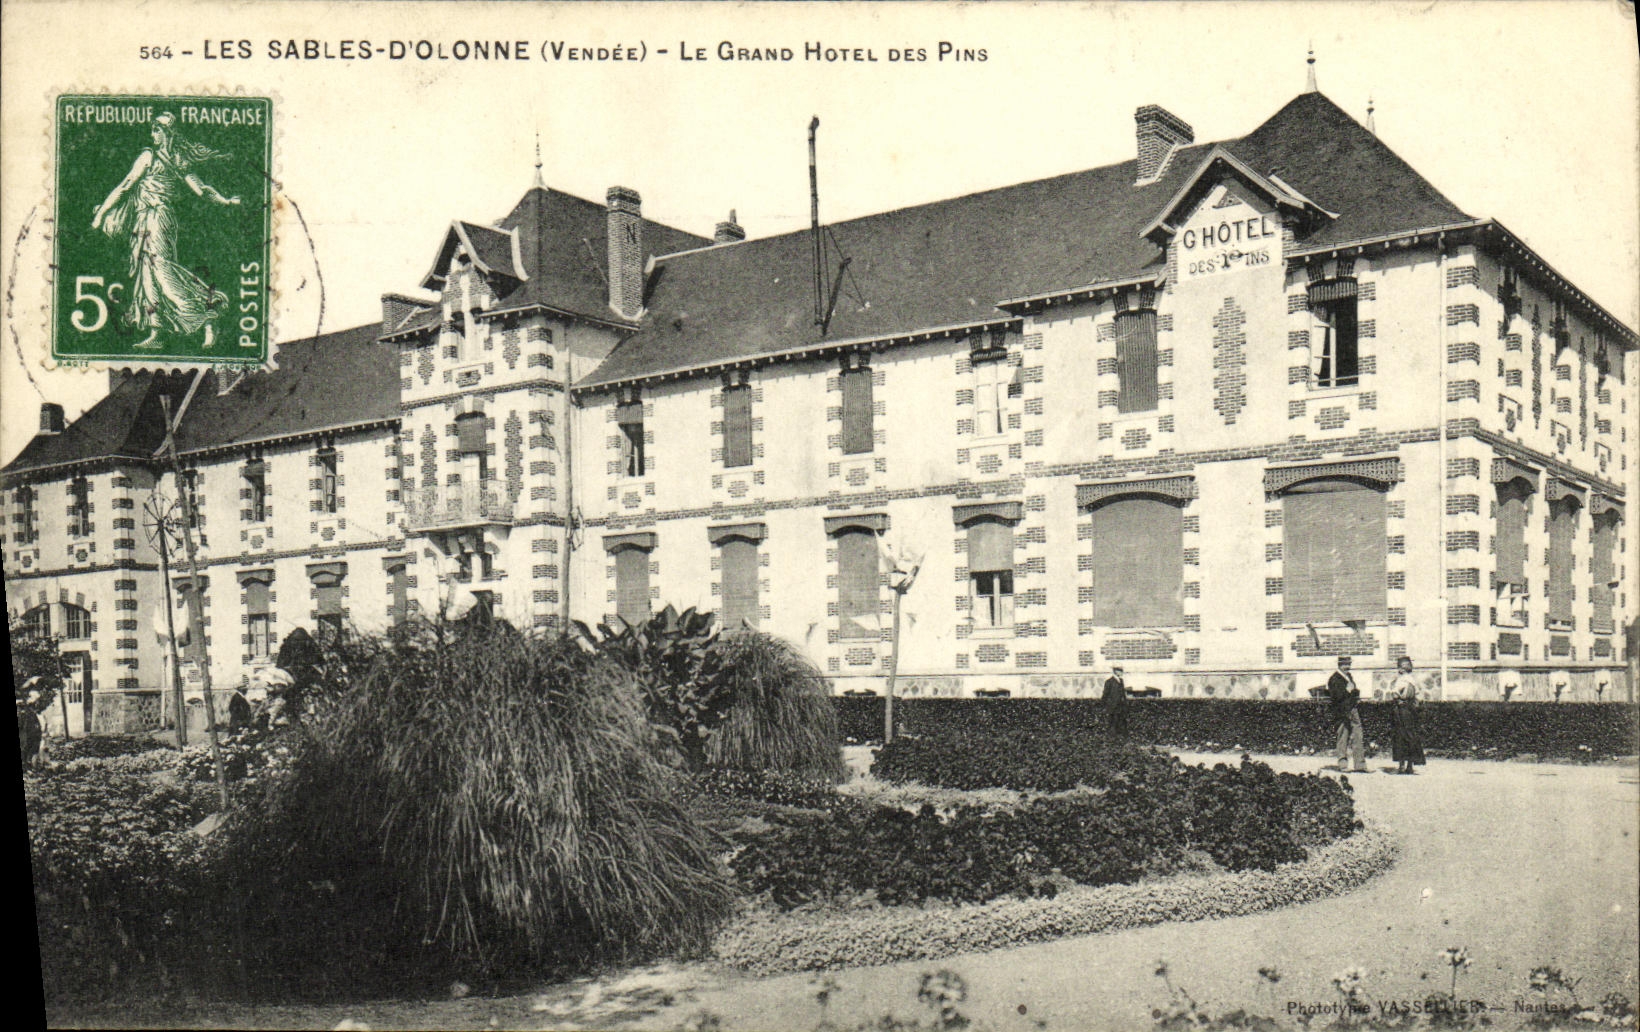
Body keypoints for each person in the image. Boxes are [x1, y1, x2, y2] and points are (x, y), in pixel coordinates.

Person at [91, 112, 239, 349]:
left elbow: (200, 189)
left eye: (156, 130)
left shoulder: (168, 158)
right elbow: (126, 185)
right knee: (147, 275)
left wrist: (224, 200)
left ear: (167, 132)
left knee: (161, 268)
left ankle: (207, 315)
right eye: (152, 130)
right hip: (143, 220)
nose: (153, 134)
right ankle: (157, 331)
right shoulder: (152, 155)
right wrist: (101, 213)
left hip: (159, 217)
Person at [1327, 656, 1367, 773]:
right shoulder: (1334, 678)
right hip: (1341, 711)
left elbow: (1354, 691)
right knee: (1343, 736)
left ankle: (1360, 765)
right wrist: (1348, 690)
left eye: (1349, 664)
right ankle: (1342, 765)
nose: (1348, 667)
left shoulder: (1349, 677)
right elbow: (1335, 696)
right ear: (1339, 665)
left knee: (1358, 735)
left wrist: (1354, 691)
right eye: (1345, 664)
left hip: (1352, 709)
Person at [1389, 656, 1426, 774]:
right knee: (1411, 735)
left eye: (1399, 667)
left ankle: (1401, 765)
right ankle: (1410, 765)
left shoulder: (1401, 680)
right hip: (1411, 710)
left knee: (1400, 736)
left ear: (1402, 668)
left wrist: (1399, 698)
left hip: (1402, 710)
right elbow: (1420, 697)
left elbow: (1394, 694)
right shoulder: (1413, 680)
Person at [1102, 666, 1129, 740]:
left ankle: (1121, 739)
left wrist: (1125, 703)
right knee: (1113, 724)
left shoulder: (1121, 681)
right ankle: (1112, 739)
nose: (1121, 672)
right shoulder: (1109, 682)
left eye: (1121, 670)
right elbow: (1105, 695)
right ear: (1115, 671)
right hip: (1113, 707)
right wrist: (1106, 706)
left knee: (1121, 724)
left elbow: (1123, 694)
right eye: (1120, 670)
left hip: (1121, 707)